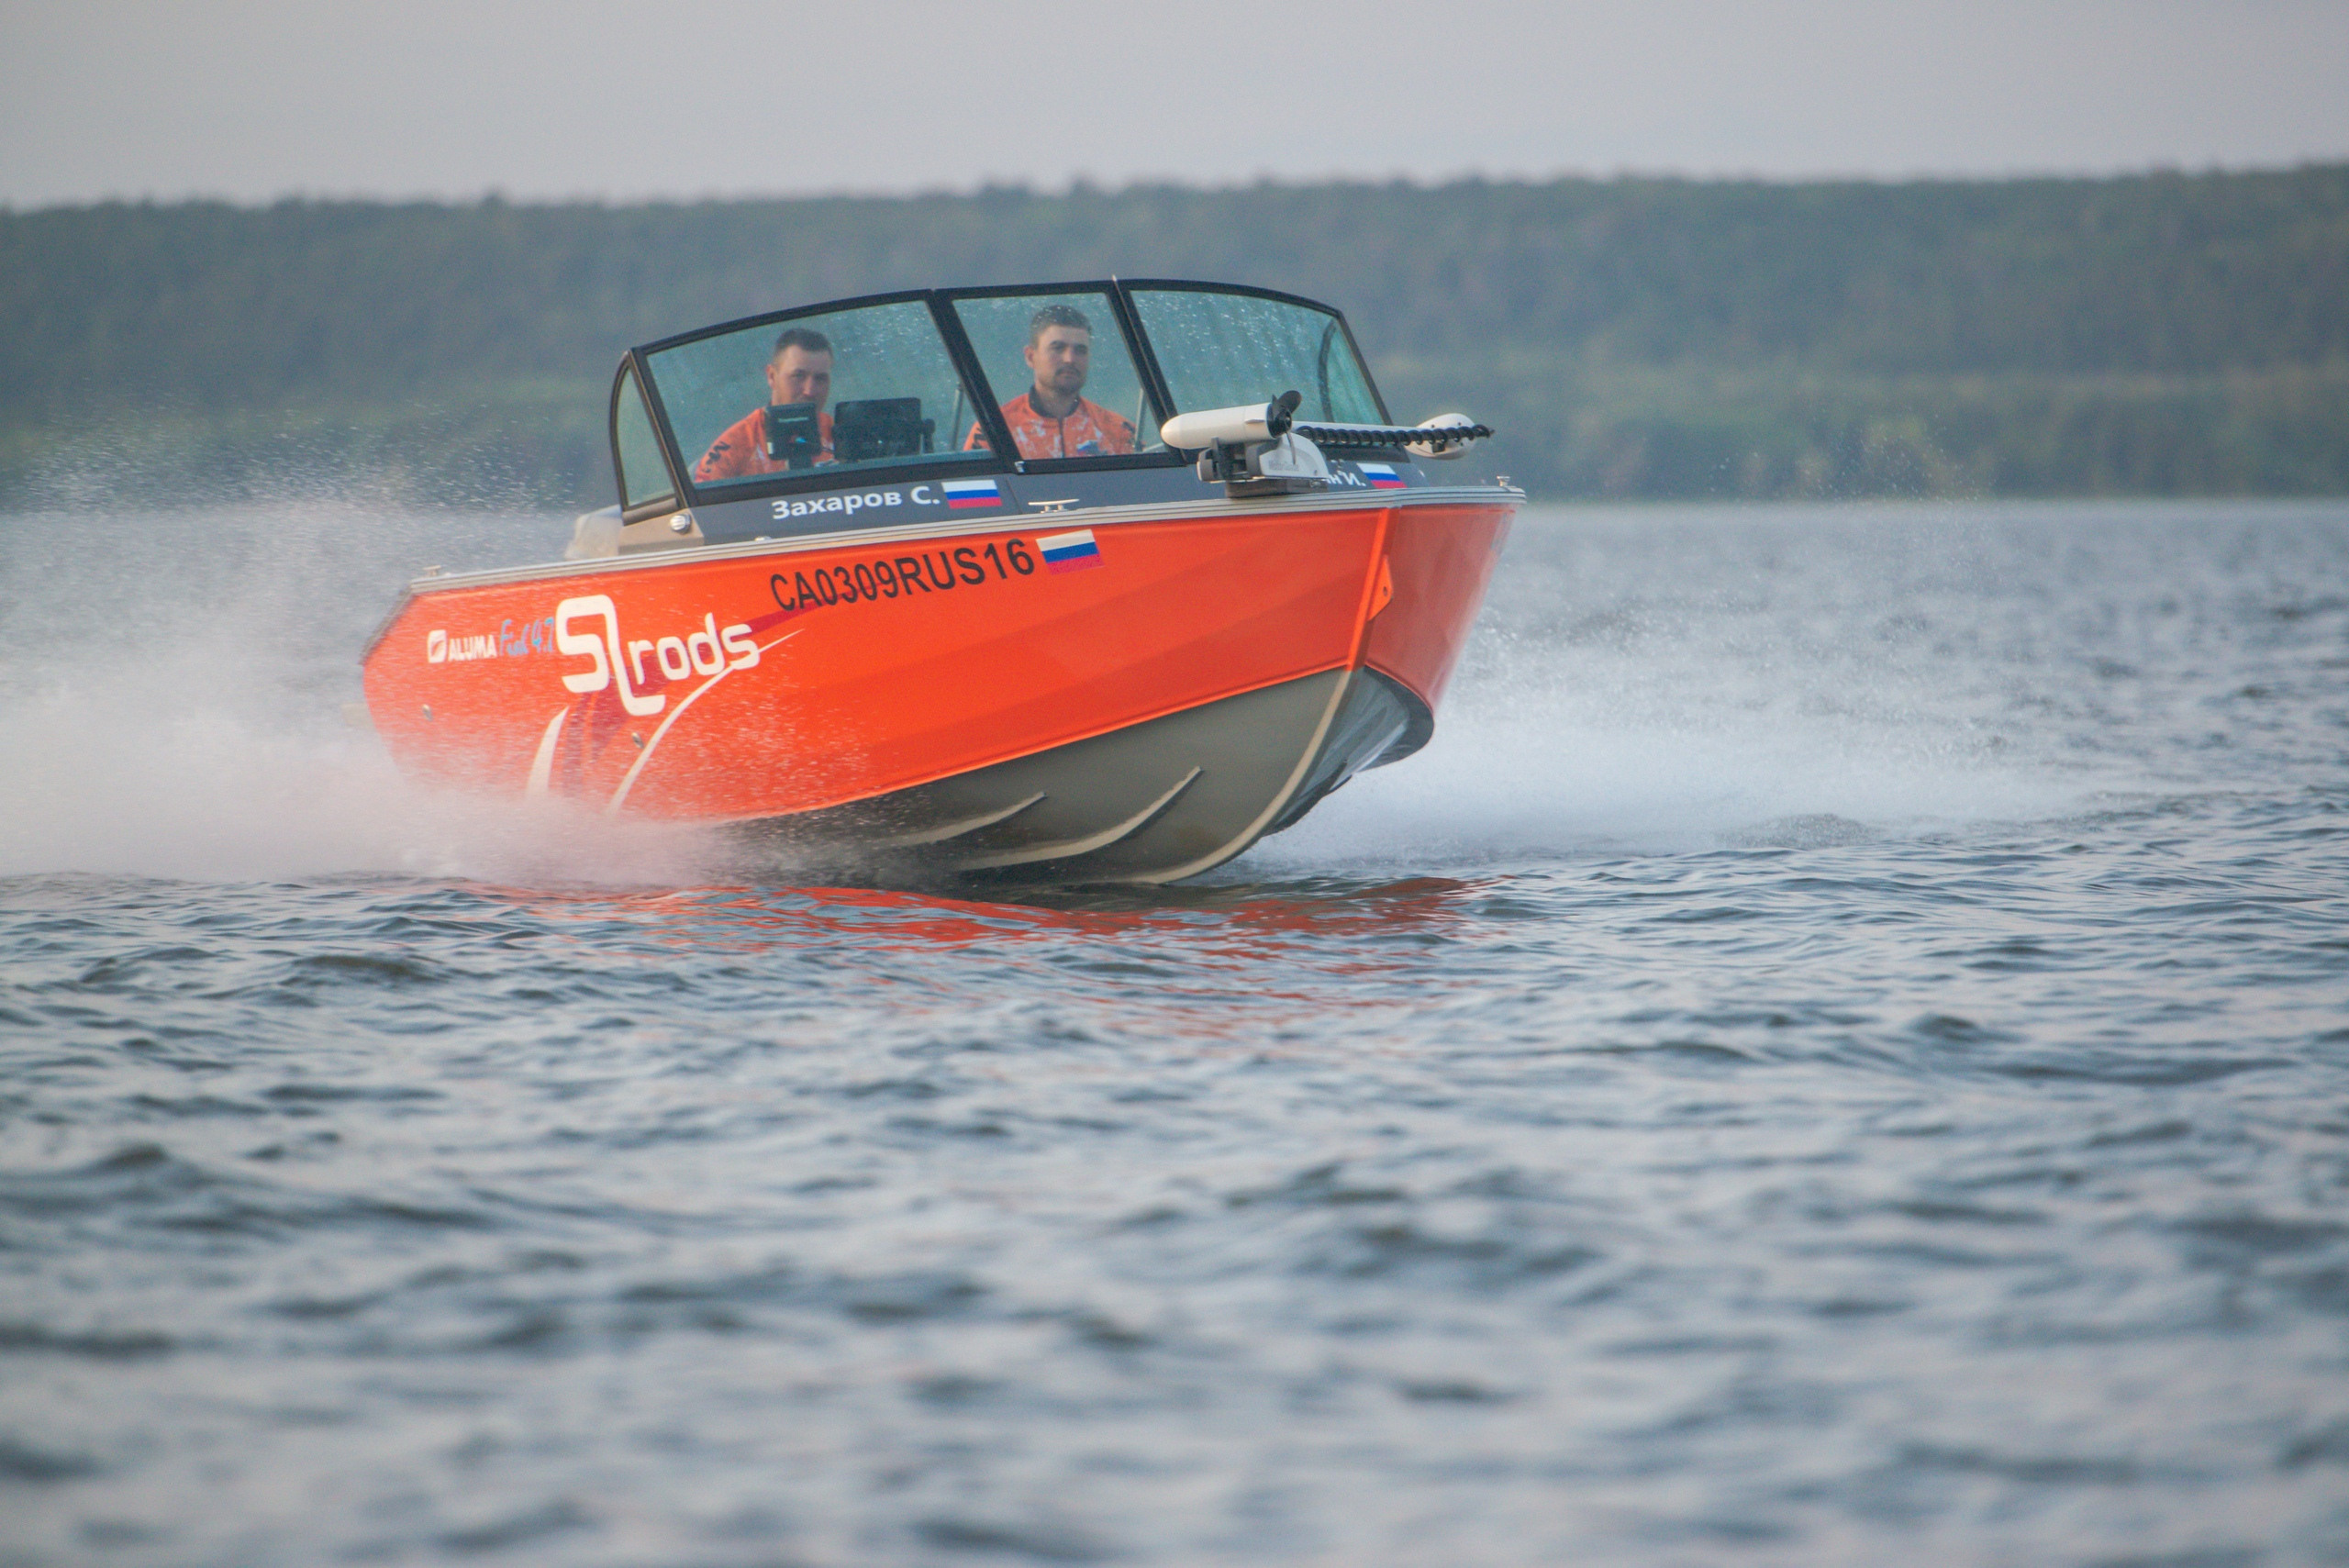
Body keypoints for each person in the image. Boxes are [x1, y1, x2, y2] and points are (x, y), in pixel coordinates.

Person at [968, 304, 1134, 460]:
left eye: (1080, 350)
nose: (1070, 359)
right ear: (1031, 356)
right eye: (1058, 348)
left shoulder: (1119, 431)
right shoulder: (993, 431)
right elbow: (973, 488)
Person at [694, 327, 836, 482]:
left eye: (820, 378)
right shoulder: (736, 444)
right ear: (772, 376)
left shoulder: (839, 434)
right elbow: (701, 497)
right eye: (798, 376)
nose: (810, 390)